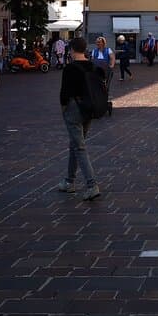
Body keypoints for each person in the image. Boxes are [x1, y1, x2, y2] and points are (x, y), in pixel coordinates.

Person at [58, 37, 101, 201]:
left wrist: (64, 109)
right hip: (89, 108)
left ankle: (92, 185)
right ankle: (69, 181)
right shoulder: (92, 66)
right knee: (75, 144)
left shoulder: (70, 68)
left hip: (74, 108)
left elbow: (65, 93)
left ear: (72, 50)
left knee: (79, 146)